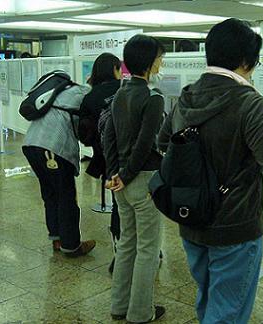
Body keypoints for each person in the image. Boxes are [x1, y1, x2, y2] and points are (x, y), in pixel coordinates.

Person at [158, 18, 263, 324]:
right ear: (247, 60)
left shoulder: (187, 96)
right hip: (235, 223)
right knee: (228, 311)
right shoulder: (249, 103)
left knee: (209, 297)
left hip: (191, 216)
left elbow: (163, 141)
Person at [104, 34, 166, 323]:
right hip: (142, 180)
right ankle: (141, 313)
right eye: (159, 58)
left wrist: (115, 173)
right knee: (148, 249)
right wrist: (126, 175)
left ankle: (119, 307)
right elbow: (144, 145)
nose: (161, 62)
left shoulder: (120, 94)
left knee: (127, 243)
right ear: (150, 62)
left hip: (121, 182)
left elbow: (109, 137)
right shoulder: (153, 98)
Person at [22, 76, 96, 257]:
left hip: (31, 144)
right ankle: (71, 246)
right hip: (52, 147)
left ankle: (57, 238)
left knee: (50, 193)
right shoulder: (86, 93)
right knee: (66, 196)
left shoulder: (65, 91)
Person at [78, 52, 122, 272]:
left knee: (117, 203)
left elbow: (84, 133)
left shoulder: (90, 97)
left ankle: (118, 249)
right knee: (132, 205)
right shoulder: (123, 90)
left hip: (104, 157)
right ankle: (136, 250)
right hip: (128, 157)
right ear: (114, 69)